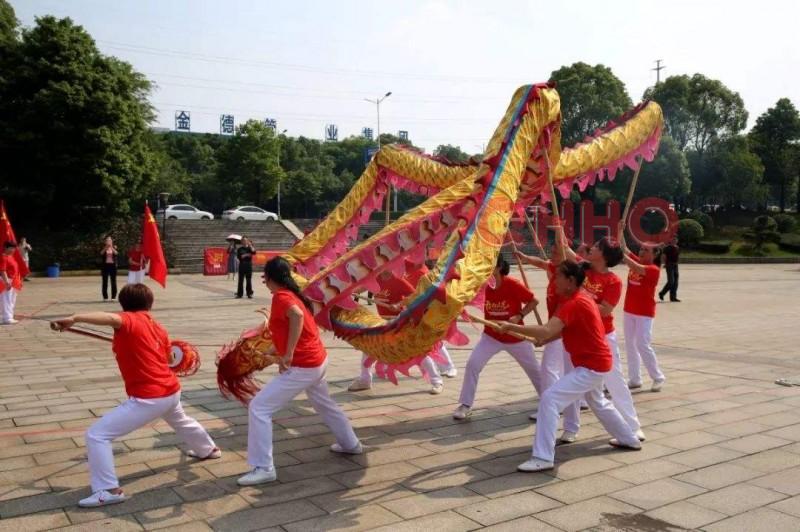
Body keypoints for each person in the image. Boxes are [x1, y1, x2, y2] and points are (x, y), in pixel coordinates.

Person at [50, 284, 220, 507]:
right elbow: (169, 359)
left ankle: (108, 490)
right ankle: (208, 449)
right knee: (182, 421)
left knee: (97, 435)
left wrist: (75, 317)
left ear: (123, 305)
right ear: (150, 303)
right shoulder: (157, 327)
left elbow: (110, 318)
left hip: (150, 397)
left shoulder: (129, 320)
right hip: (171, 391)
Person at [498, 261, 642, 472]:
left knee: (550, 398)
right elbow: (559, 331)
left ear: (571, 281)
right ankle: (629, 438)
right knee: (598, 401)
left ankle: (543, 456)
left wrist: (512, 326)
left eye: (559, 277)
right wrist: (545, 340)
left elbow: (547, 329)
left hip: (591, 365)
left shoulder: (575, 302)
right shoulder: (580, 298)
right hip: (595, 362)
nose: (554, 280)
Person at [239, 257, 361, 486]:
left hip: (304, 365)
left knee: (259, 408)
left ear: (269, 278)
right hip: (317, 361)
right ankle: (350, 443)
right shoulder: (293, 294)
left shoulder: (282, 297)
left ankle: (263, 467)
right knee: (324, 403)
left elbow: (296, 316)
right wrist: (274, 351)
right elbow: (293, 325)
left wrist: (288, 354)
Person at [558, 236, 644, 444]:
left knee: (615, 380)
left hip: (603, 336)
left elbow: (605, 310)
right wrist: (560, 231)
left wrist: (581, 301)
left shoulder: (613, 280)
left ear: (604, 256)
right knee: (570, 378)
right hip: (576, 333)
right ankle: (571, 427)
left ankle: (633, 426)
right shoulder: (582, 269)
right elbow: (567, 252)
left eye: (596, 246)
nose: (591, 246)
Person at [453, 255, 543, 420]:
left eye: (489, 265)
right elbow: (464, 298)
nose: (485, 269)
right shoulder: (482, 285)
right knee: (473, 364)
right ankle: (465, 404)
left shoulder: (513, 284)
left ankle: (548, 403)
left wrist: (518, 316)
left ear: (499, 268)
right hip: (491, 336)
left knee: (535, 371)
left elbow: (534, 301)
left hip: (515, 336)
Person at [348, 270, 446, 394]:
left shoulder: (399, 280)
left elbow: (416, 296)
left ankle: (437, 381)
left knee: (417, 352)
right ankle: (365, 379)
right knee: (368, 348)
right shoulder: (376, 278)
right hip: (383, 322)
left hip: (400, 323)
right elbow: (359, 289)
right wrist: (345, 292)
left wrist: (399, 304)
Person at [619, 222, 667, 392]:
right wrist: (620, 230)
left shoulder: (653, 269)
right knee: (630, 345)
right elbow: (624, 249)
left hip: (644, 313)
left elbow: (634, 266)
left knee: (642, 344)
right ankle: (634, 379)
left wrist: (619, 255)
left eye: (646, 250)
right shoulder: (638, 260)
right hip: (629, 310)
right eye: (641, 248)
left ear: (654, 255)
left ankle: (658, 377)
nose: (641, 251)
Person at [404, 258, 457, 378]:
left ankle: (448, 367)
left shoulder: (424, 273)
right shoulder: (409, 270)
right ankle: (439, 367)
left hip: (429, 312)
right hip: (416, 311)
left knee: (434, 341)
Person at [1, 241, 22, 325]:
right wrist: (6, 282)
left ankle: (8, 316)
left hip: (13, 280)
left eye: (14, 248)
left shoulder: (11, 256)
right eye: (11, 248)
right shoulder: (3, 257)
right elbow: (2, 270)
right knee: (6, 300)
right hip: (7, 280)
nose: (13, 250)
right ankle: (7, 318)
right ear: (5, 247)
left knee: (12, 299)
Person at [659, 236, 680, 302]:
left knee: (675, 282)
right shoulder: (667, 248)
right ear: (671, 240)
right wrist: (664, 263)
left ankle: (673, 297)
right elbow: (663, 256)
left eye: (676, 239)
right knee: (671, 281)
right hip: (669, 265)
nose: (675, 240)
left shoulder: (677, 247)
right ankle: (662, 293)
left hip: (675, 265)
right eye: (673, 239)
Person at [100, 236, 118, 301]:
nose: (108, 241)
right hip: (105, 266)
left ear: (112, 241)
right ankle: (105, 297)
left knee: (113, 282)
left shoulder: (115, 247)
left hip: (113, 266)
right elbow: (101, 253)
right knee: (105, 281)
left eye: (110, 240)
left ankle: (113, 297)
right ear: (105, 242)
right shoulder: (103, 247)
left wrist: (111, 247)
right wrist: (106, 247)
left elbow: (116, 253)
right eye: (107, 240)